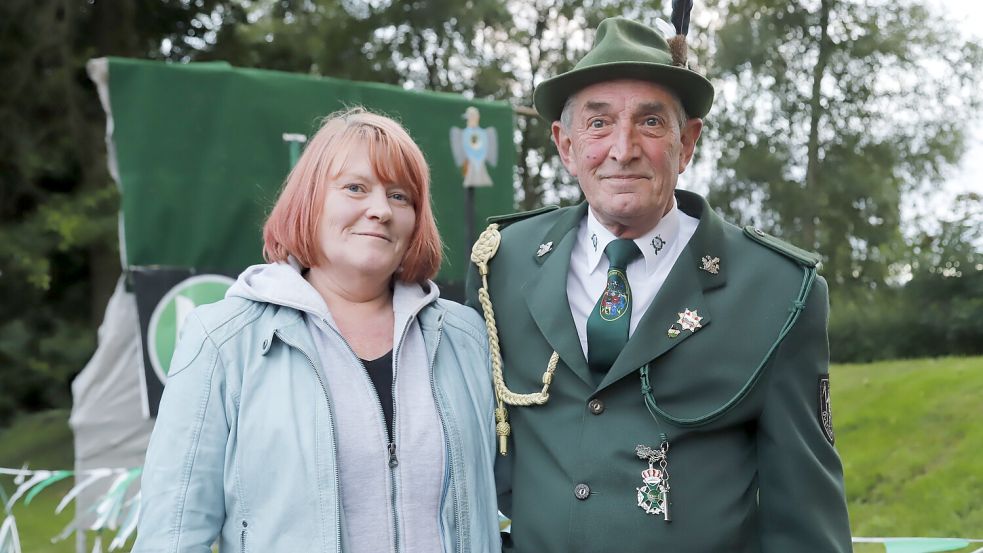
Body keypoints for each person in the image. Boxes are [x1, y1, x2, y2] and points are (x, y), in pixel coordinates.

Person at [466, 13, 852, 553]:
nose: (622, 149)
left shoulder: (777, 290)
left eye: (650, 123)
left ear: (686, 142)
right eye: (598, 124)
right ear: (566, 144)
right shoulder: (502, 265)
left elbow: (805, 518)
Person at [135, 107, 500, 553]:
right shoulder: (224, 340)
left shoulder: (467, 338)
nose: (380, 210)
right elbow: (172, 535)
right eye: (355, 188)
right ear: (309, 201)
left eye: (400, 196)